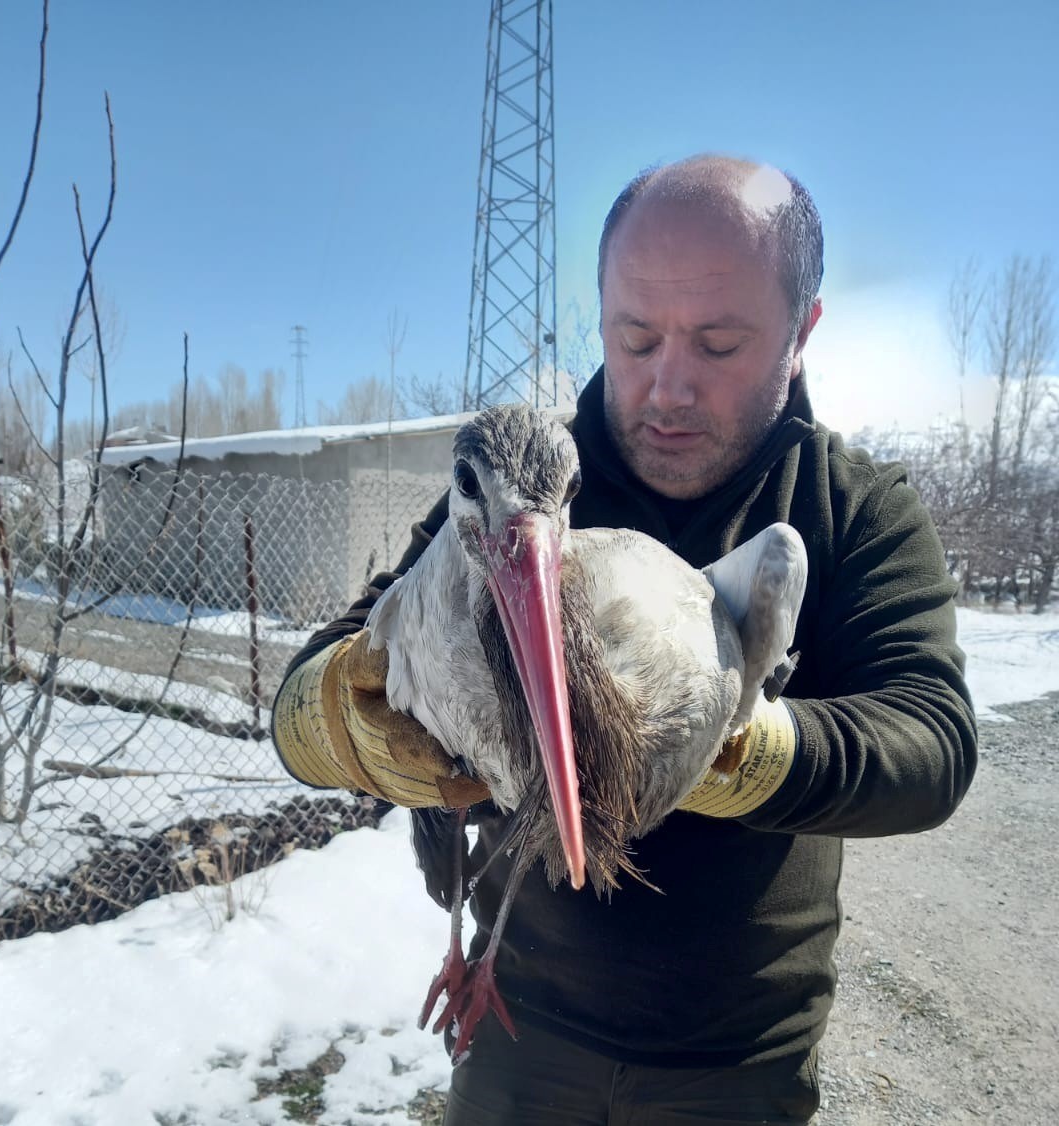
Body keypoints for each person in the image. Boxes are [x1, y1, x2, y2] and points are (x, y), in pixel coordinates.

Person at [271, 154, 978, 1125]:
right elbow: (340, 652)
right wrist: (333, 717)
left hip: (734, 1063)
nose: (668, 386)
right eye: (635, 336)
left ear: (803, 331)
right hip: (519, 1032)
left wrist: (733, 741)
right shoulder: (519, 482)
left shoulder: (852, 509)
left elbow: (932, 743)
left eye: (721, 343)